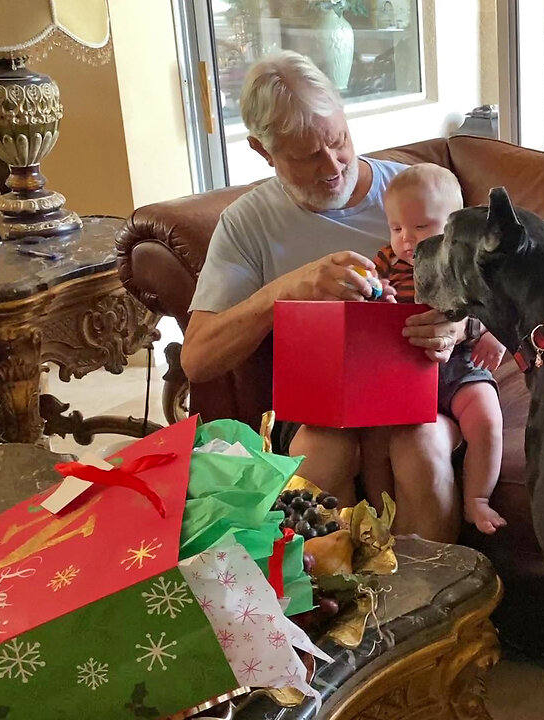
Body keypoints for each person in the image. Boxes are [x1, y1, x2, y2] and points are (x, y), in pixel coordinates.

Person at [180, 50, 469, 542]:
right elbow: (197, 360)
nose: (332, 165)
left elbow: (486, 293)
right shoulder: (248, 223)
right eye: (306, 156)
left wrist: (456, 325)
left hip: (422, 390)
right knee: (321, 455)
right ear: (262, 150)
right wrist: (288, 290)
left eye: (338, 141)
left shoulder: (413, 199)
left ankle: (438, 606)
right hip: (321, 401)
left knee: (420, 448)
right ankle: (345, 600)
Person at [378, 164, 507, 535]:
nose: (407, 239)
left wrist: (492, 335)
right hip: (406, 368)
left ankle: (477, 499)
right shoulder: (388, 261)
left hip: (461, 366)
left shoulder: (466, 262)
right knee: (375, 437)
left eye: (421, 227)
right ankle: (379, 520)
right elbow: (369, 294)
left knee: (487, 419)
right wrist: (378, 295)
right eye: (396, 228)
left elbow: (497, 305)